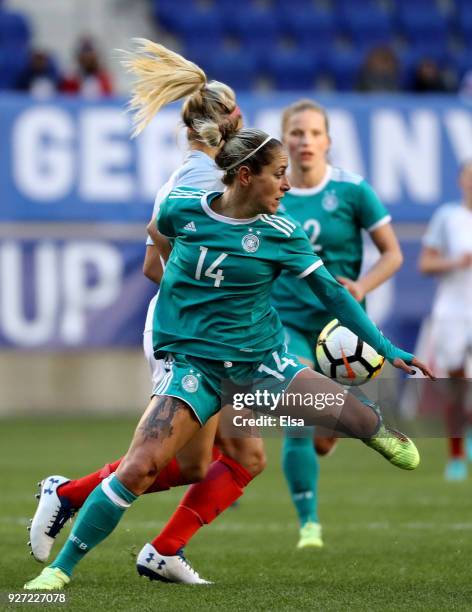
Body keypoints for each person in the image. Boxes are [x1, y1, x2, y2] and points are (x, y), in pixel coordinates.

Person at [24, 42, 432, 592]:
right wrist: (198, 302)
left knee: (227, 459)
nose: (286, 183)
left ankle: (148, 541)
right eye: (279, 170)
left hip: (253, 356)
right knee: (163, 461)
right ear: (237, 155)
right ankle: (76, 532)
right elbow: (156, 259)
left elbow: (332, 294)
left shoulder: (267, 223)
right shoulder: (190, 195)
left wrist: (382, 346)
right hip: (191, 348)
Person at [28, 40, 266, 585]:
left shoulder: (190, 178)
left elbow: (151, 266)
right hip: (190, 337)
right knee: (179, 463)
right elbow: (166, 266)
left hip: (210, 335)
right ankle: (66, 497)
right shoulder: (206, 186)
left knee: (242, 456)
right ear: (230, 122)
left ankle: (161, 548)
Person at [272, 99, 403, 549]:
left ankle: (341, 427)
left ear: (328, 141)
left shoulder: (352, 191)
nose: (305, 141)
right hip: (286, 321)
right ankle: (309, 523)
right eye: (296, 133)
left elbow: (393, 253)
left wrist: (362, 287)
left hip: (341, 330)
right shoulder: (272, 192)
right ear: (284, 139)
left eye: (313, 133)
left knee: (324, 440)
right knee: (297, 417)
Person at [418, 160, 472, 481]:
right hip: (452, 312)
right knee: (455, 385)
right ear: (460, 180)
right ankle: (455, 456)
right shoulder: (448, 218)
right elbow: (425, 264)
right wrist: (455, 261)